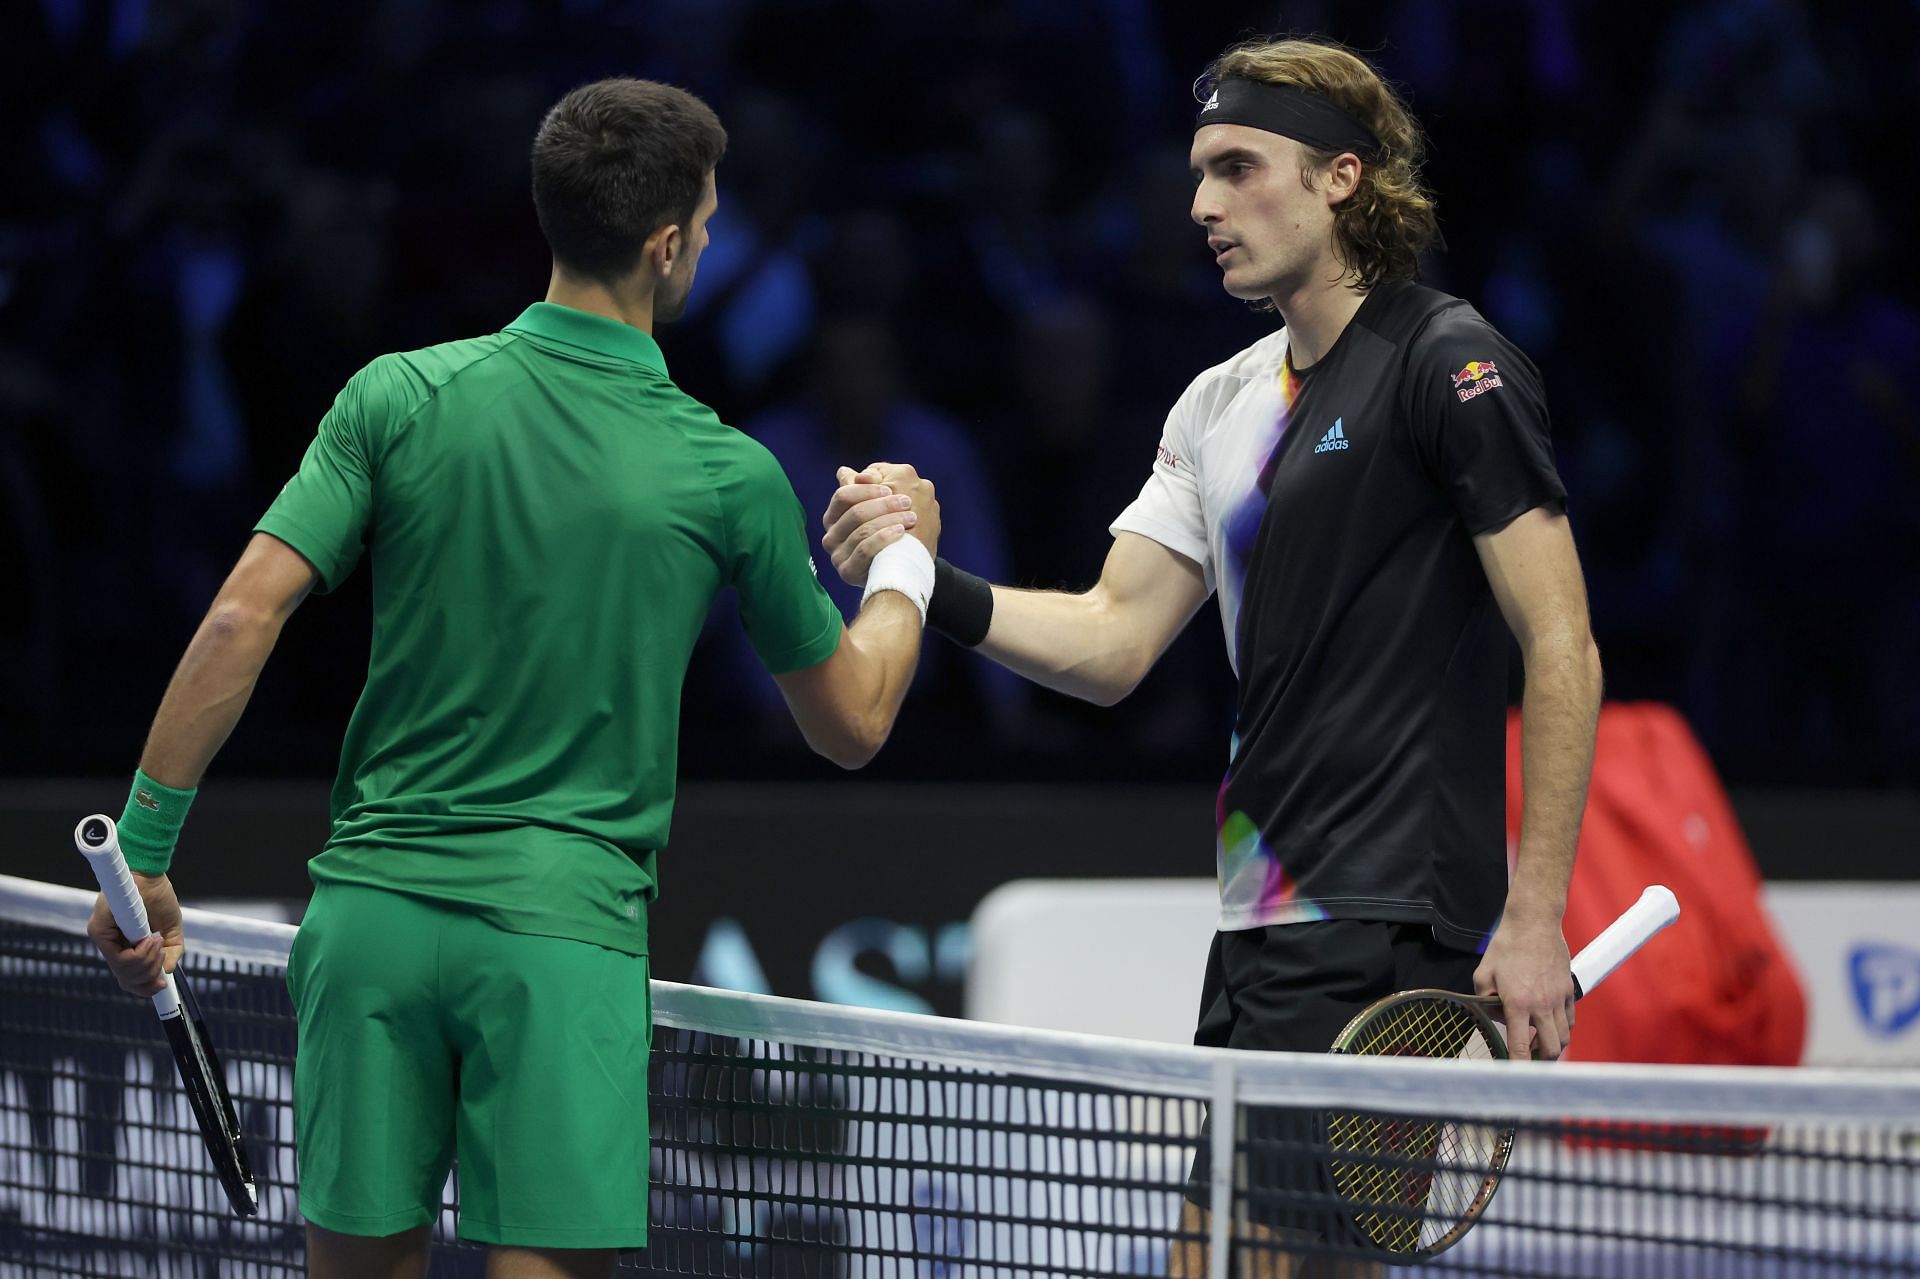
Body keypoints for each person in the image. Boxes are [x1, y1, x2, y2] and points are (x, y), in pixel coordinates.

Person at [87, 78, 941, 1279]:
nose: (705, 238)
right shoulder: (726, 470)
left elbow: (242, 611)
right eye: (704, 218)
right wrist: (907, 561)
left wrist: (149, 851)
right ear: (666, 242)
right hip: (557, 941)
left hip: (369, 924)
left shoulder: (395, 395)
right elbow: (852, 721)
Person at [823, 36, 1602, 1278]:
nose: (1201, 205)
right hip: (1260, 919)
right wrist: (928, 577)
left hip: (1383, 910)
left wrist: (1536, 914)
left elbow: (1560, 644)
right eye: (1197, 173)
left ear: (1343, 177)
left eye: (1238, 167)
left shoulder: (1450, 366)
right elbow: (1116, 638)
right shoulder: (1216, 402)